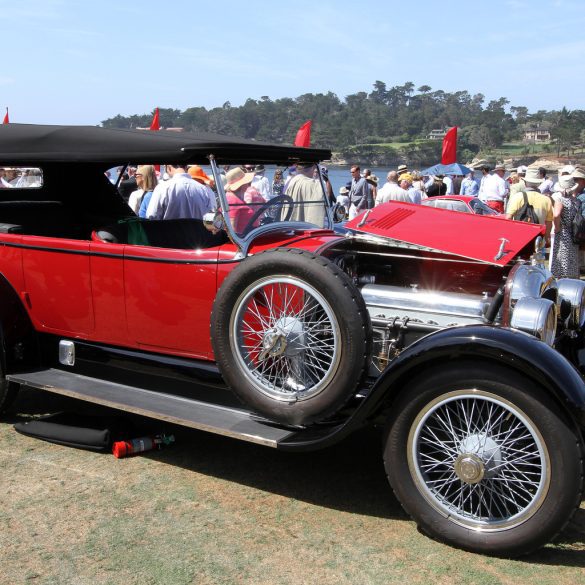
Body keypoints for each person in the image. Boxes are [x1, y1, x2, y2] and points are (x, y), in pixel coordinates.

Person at [145, 163, 214, 220]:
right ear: (186, 167)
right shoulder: (203, 189)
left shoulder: (162, 188)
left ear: (168, 167)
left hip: (170, 235)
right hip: (197, 235)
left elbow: (151, 216)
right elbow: (210, 217)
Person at [505, 167, 553, 240]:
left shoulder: (518, 197)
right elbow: (549, 223)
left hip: (519, 237)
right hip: (538, 238)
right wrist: (546, 238)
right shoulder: (546, 200)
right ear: (539, 183)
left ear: (525, 182)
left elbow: (508, 217)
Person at [551, 170, 580, 279]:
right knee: (572, 259)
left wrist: (557, 228)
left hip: (563, 232)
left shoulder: (560, 199)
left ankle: (561, 282)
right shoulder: (576, 201)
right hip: (573, 233)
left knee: (562, 259)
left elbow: (556, 214)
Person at [224, 167, 265, 233]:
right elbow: (231, 229)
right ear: (242, 184)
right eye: (246, 181)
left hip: (249, 236)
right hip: (244, 239)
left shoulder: (236, 197)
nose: (248, 183)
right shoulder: (232, 200)